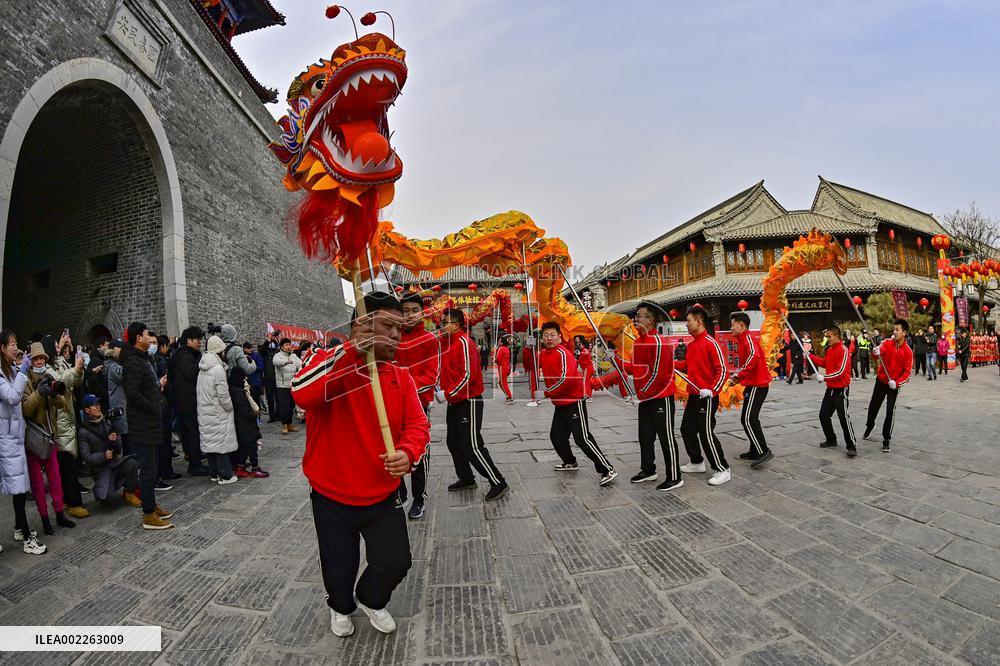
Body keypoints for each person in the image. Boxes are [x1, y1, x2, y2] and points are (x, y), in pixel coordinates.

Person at [291, 292, 428, 638]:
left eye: (400, 329)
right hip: (331, 496)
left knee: (396, 560)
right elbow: (301, 393)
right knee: (339, 566)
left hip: (382, 494)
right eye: (389, 327)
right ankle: (340, 606)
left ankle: (371, 598)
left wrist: (408, 453)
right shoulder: (327, 361)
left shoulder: (400, 376)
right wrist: (352, 352)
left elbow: (417, 426)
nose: (397, 336)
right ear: (362, 326)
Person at [604, 303, 681, 490]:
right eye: (636, 316)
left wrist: (642, 395)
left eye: (640, 316)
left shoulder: (660, 342)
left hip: (660, 397)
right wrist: (615, 359)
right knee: (645, 436)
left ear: (650, 320)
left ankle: (675, 476)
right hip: (645, 399)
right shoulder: (639, 342)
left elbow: (660, 375)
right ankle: (648, 469)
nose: (636, 319)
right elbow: (635, 369)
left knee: (666, 437)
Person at [438, 309, 508, 501]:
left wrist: (447, 393)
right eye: (442, 322)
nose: (443, 326)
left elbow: (468, 376)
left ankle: (498, 481)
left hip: (469, 400)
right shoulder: (445, 343)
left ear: (459, 325)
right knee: (453, 442)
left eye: (447, 322)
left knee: (471, 445)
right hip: (455, 401)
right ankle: (467, 478)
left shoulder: (464, 342)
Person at [538, 322, 617, 486]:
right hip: (560, 403)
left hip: (573, 401)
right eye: (546, 335)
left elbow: (567, 380)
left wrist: (546, 393)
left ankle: (607, 469)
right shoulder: (543, 354)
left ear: (559, 336)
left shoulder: (563, 354)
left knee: (582, 438)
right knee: (557, 437)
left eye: (552, 334)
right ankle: (570, 462)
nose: (549, 338)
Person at [121, 322, 173, 530]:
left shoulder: (142, 359)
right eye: (145, 335)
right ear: (137, 338)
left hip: (151, 422)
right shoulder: (133, 362)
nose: (149, 339)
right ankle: (148, 514)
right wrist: (153, 406)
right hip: (143, 423)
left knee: (153, 466)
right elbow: (132, 393)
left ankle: (151, 504)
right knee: (148, 468)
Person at [393, 293, 441, 520]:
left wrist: (403, 389)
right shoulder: (391, 338)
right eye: (405, 310)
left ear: (422, 313)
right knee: (392, 448)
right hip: (392, 405)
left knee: (418, 452)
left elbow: (430, 376)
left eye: (414, 310)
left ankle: (419, 497)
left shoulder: (430, 340)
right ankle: (399, 489)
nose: (409, 315)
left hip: (419, 405)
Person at [22, 342, 77, 534]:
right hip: (34, 440)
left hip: (50, 437)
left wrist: (53, 393)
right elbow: (26, 409)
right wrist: (39, 393)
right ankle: (45, 519)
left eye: (42, 359)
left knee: (55, 479)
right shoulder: (25, 380)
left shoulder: (48, 376)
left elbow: (62, 403)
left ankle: (60, 513)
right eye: (36, 359)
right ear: (31, 361)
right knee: (38, 484)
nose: (39, 362)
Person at [0, 331, 47, 554]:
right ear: (2, 348)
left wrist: (21, 370)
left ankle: (20, 528)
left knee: (18, 487)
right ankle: (27, 538)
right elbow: (11, 397)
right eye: (12, 344)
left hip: (15, 438)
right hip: (6, 440)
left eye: (16, 343)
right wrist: (24, 371)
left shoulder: (11, 370)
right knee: (18, 489)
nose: (15, 347)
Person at [675, 306, 731, 486]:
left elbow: (723, 370)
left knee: (706, 433)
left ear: (698, 322)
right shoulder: (691, 345)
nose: (686, 324)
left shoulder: (710, 343)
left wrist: (712, 390)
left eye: (689, 321)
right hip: (693, 395)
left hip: (707, 397)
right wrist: (671, 363)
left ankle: (723, 468)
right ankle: (697, 462)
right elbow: (687, 365)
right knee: (686, 429)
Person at [40, 334, 89, 519]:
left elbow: (75, 381)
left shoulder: (59, 362)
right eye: (55, 345)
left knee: (68, 462)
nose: (58, 346)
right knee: (67, 462)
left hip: (68, 416)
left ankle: (68, 500)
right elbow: (60, 383)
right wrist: (73, 369)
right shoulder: (45, 368)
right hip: (59, 419)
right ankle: (73, 502)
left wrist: (78, 368)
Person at [77, 394, 141, 507]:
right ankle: (106, 489)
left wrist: (115, 441)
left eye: (98, 404)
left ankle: (129, 492)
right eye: (94, 405)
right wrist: (103, 455)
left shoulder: (107, 422)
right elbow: (86, 458)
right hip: (101, 472)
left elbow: (118, 449)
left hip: (114, 464)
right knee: (108, 500)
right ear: (87, 410)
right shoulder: (83, 432)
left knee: (132, 463)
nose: (98, 407)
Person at [729, 312, 773, 468]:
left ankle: (763, 451)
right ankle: (754, 450)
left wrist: (739, 374)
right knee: (749, 418)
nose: (731, 328)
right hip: (752, 384)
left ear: (741, 325)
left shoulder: (747, 339)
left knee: (748, 419)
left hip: (757, 385)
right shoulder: (742, 340)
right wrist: (739, 377)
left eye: (733, 324)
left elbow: (754, 357)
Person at [864, 319, 913, 453]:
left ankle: (886, 438)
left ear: (904, 332)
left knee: (890, 411)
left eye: (897, 330)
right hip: (881, 380)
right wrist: (875, 352)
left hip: (894, 385)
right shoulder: (887, 343)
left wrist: (897, 383)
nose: (894, 332)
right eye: (894, 329)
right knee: (873, 406)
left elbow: (907, 373)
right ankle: (870, 425)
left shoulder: (908, 352)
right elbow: (879, 354)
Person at [809, 326, 857, 457]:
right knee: (823, 415)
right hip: (830, 388)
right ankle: (831, 439)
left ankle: (851, 445)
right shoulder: (830, 350)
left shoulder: (844, 350)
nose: (827, 339)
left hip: (841, 388)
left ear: (837, 336)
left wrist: (824, 377)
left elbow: (841, 371)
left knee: (843, 417)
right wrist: (810, 356)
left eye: (829, 336)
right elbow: (825, 363)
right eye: (827, 336)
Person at [168, 327, 210, 475]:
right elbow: (192, 373)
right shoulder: (186, 355)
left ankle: (193, 458)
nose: (199, 342)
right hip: (188, 401)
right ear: (189, 341)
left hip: (183, 401)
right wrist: (202, 362)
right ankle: (195, 464)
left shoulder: (180, 353)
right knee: (192, 433)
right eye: (197, 340)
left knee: (188, 433)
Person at [197, 336, 239, 485]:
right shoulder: (217, 368)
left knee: (211, 443)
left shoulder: (203, 367)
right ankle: (225, 474)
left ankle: (214, 473)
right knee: (221, 443)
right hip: (218, 411)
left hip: (205, 410)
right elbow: (223, 394)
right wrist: (229, 407)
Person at [151, 333, 180, 487]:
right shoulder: (160, 362)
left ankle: (165, 469)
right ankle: (165, 470)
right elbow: (164, 384)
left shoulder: (155, 360)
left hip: (162, 404)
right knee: (164, 440)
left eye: (154, 342)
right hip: (162, 404)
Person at [272, 338, 302, 434]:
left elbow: (300, 364)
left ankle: (289, 424)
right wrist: (285, 362)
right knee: (285, 406)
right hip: (282, 385)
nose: (289, 347)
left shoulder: (293, 356)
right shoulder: (278, 355)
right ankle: (284, 425)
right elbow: (275, 362)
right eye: (286, 345)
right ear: (281, 347)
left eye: (290, 345)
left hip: (292, 385)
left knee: (291, 406)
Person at [85, 336, 111, 411]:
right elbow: (94, 381)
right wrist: (106, 393)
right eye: (107, 345)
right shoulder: (95, 360)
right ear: (101, 346)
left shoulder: (102, 358)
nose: (108, 348)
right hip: (100, 400)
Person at [262, 333, 280, 422]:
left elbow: (280, 349)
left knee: (278, 397)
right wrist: (268, 339)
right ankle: (272, 416)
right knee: (270, 397)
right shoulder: (265, 352)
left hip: (277, 377)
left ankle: (278, 415)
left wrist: (276, 339)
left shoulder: (277, 352)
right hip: (268, 377)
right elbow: (262, 349)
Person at [244, 342, 265, 418]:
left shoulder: (256, 356)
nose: (250, 349)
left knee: (256, 401)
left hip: (255, 381)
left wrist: (252, 366)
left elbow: (261, 367)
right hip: (246, 382)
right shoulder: (242, 357)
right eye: (248, 348)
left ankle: (258, 418)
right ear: (244, 348)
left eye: (251, 348)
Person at [495, 337, 513, 404]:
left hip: (502, 367)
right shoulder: (506, 348)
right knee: (501, 382)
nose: (498, 342)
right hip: (507, 367)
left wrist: (494, 359)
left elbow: (498, 359)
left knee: (503, 382)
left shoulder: (501, 348)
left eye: (499, 341)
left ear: (502, 342)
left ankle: (509, 397)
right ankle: (508, 396)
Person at [523, 339, 539, 406]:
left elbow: (526, 361)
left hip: (532, 368)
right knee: (535, 383)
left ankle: (534, 398)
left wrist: (526, 368)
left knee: (533, 384)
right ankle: (537, 398)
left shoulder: (528, 351)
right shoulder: (533, 351)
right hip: (534, 368)